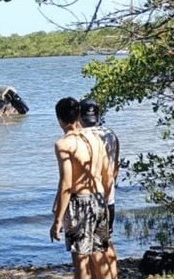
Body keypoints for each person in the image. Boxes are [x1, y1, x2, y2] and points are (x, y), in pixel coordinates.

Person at [50, 97, 114, 279]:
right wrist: (104, 202)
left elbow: (66, 184)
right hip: (100, 198)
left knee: (81, 263)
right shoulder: (96, 139)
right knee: (100, 257)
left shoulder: (64, 144)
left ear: (59, 119)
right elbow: (107, 175)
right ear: (79, 114)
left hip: (80, 203)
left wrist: (57, 220)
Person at [79, 98, 119, 279]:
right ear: (98, 114)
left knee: (90, 252)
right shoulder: (111, 134)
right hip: (108, 198)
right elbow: (114, 169)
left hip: (90, 199)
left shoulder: (81, 137)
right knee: (106, 243)